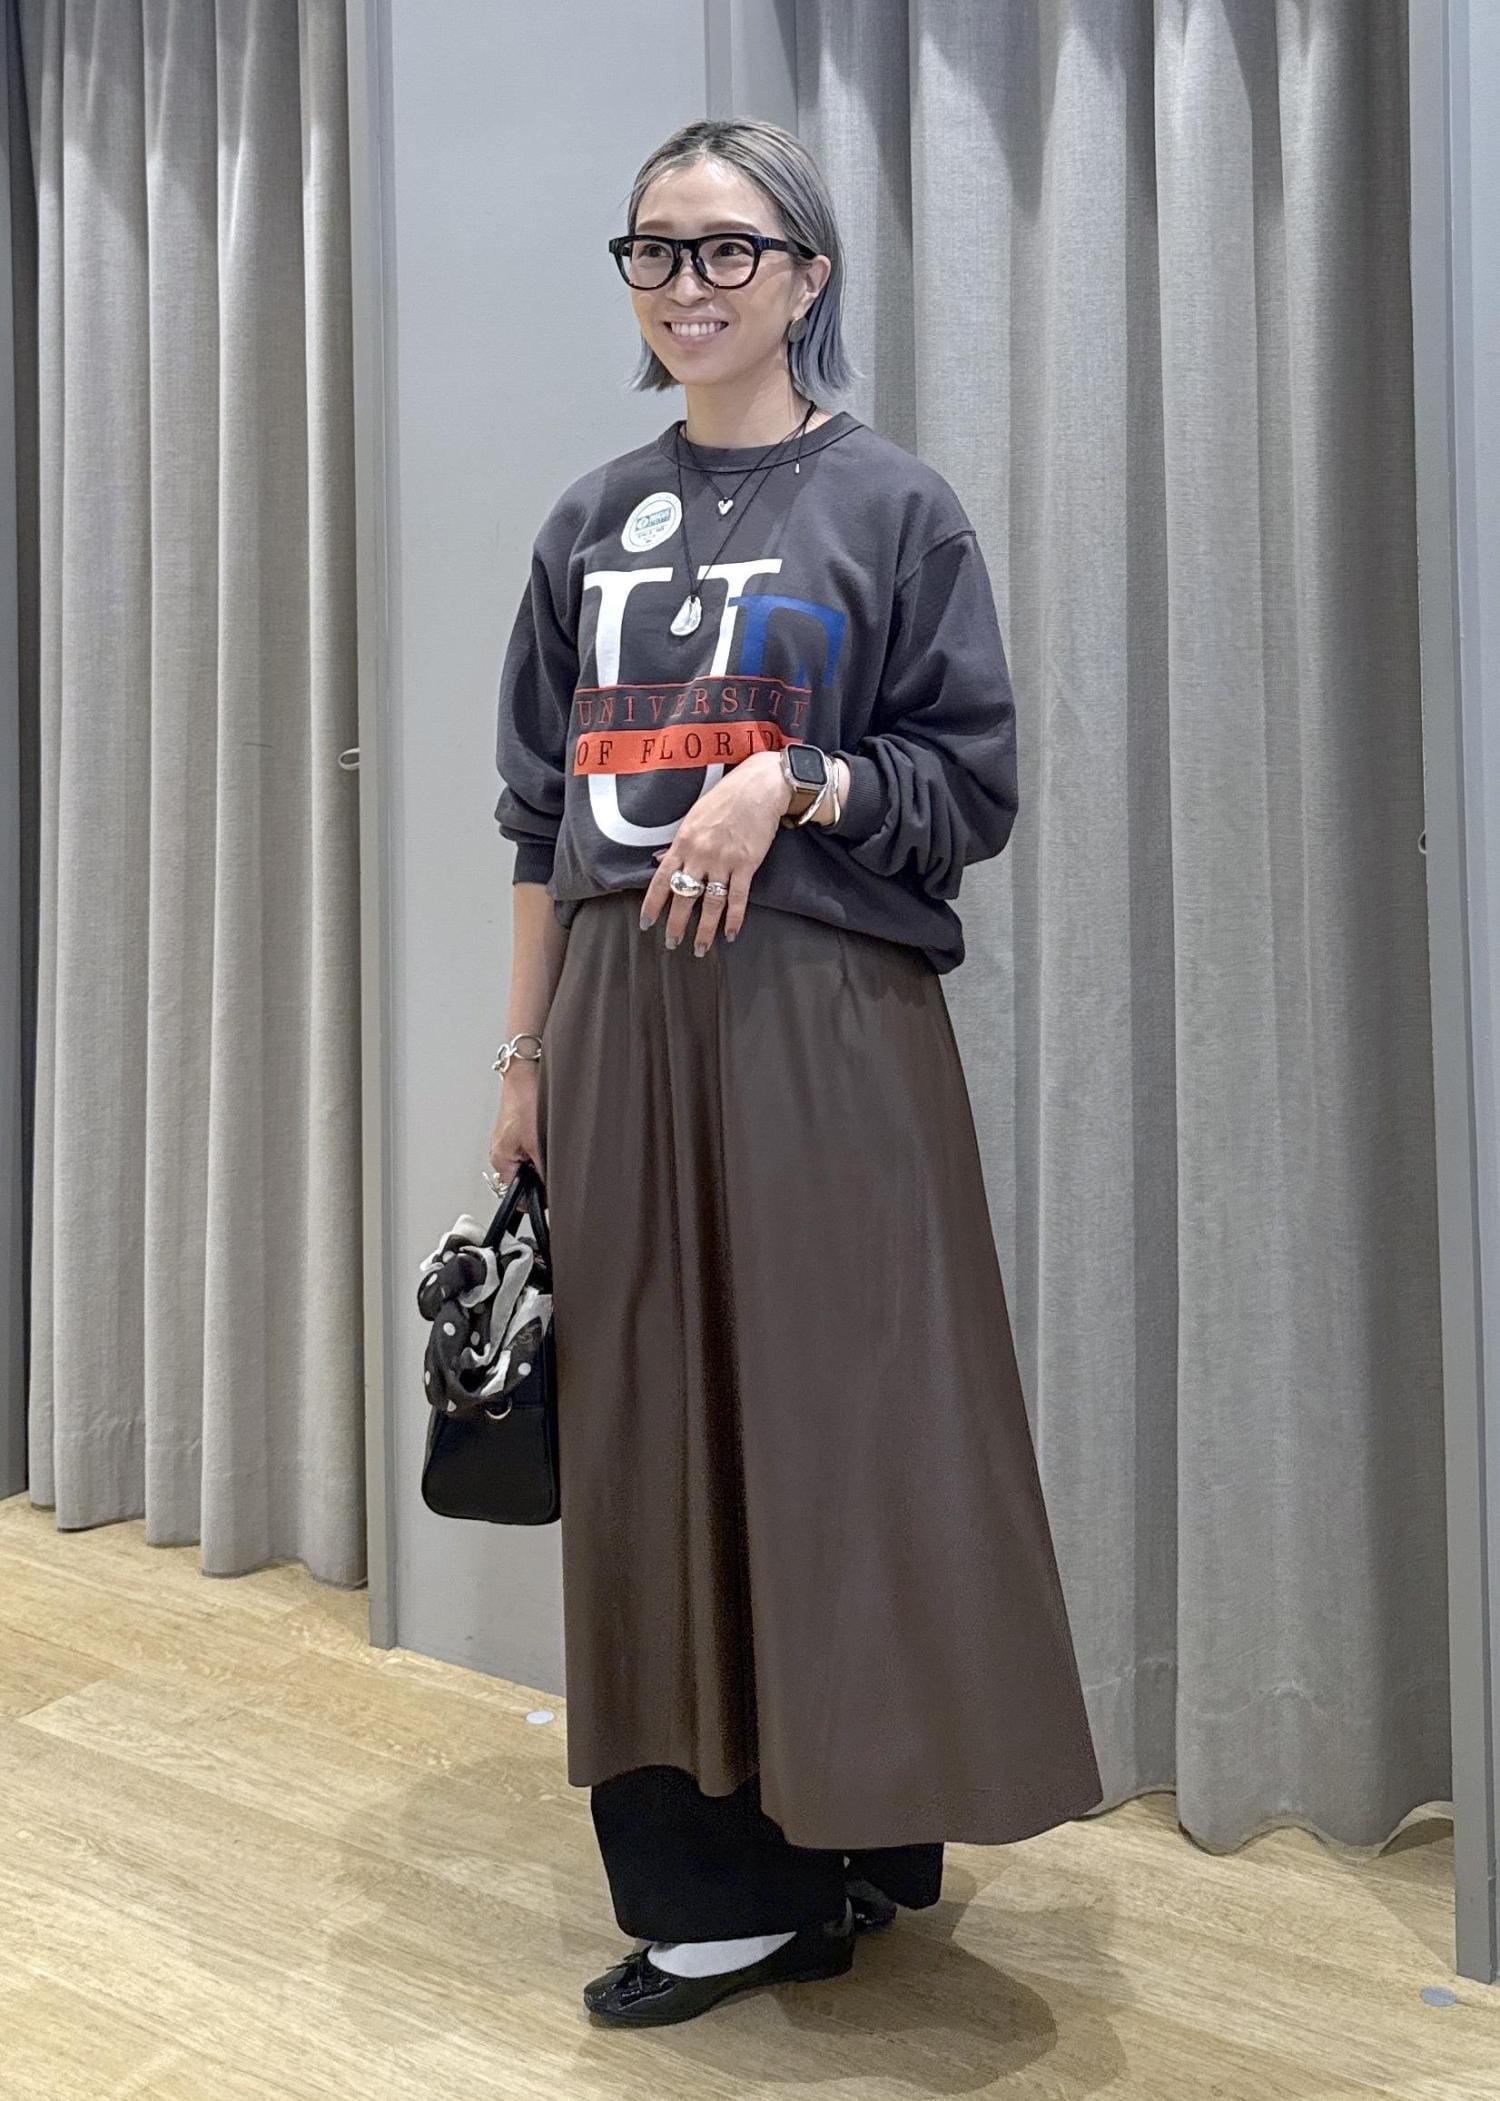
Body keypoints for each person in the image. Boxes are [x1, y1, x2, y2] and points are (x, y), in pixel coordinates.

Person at [488, 116, 1103, 2030]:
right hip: (620, 1026)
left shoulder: (895, 509)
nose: (688, 284)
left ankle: (858, 1829)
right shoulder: (588, 521)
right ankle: (714, 1893)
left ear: (808, 274)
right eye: (655, 251)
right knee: (651, 1442)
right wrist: (521, 1056)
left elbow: (967, 787)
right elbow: (536, 817)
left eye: (728, 248)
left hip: (831, 1029)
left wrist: (795, 777)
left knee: (852, 1435)